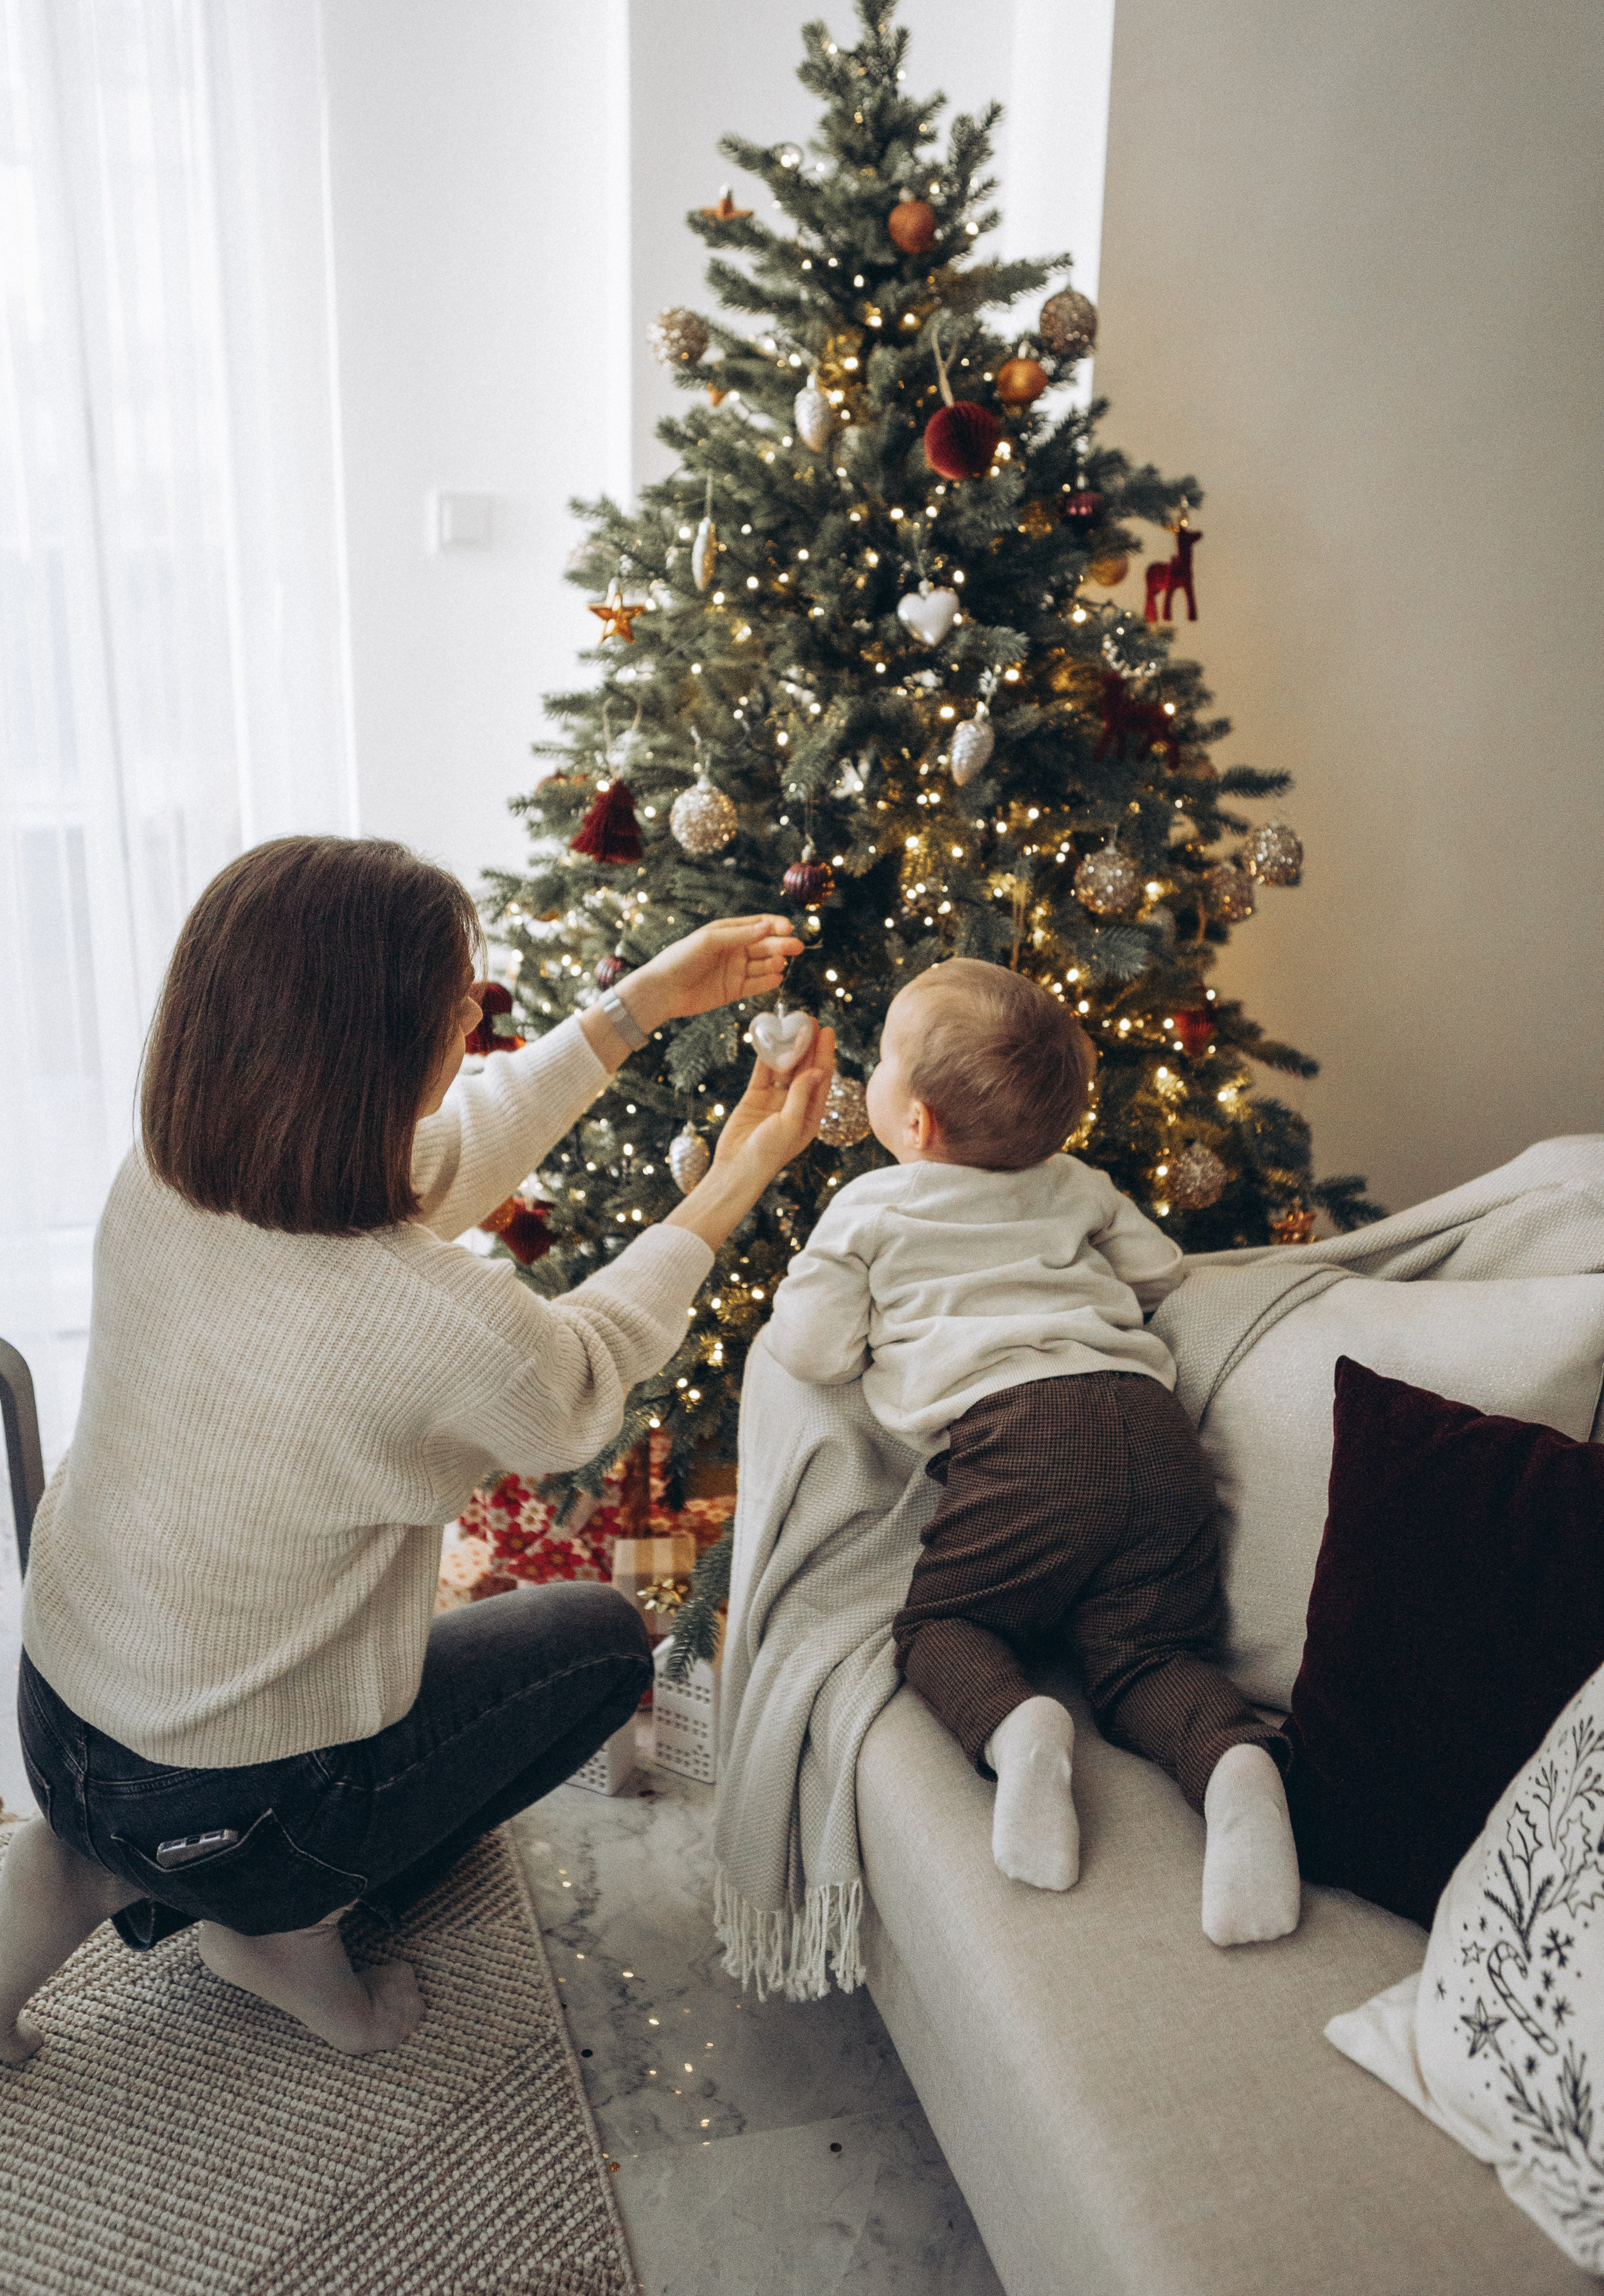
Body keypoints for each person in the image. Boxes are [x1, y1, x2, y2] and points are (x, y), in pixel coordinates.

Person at [0, 836, 834, 2060]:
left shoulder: (168, 1181)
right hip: (250, 1811)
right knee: (601, 1646)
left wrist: (641, 1002)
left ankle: (82, 1870)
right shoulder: (424, 1320)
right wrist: (743, 1169)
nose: (476, 1024)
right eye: (465, 1008)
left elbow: (444, 1155)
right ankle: (282, 1927)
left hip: (59, 1716)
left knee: (103, 1821)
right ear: (382, 1056)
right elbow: (579, 1378)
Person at [763, 957, 1301, 1947]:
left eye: (882, 1058)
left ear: (915, 1122)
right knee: (1146, 1657)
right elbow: (1160, 1271)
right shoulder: (1077, 1183)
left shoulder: (875, 1206)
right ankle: (1236, 1767)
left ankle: (1019, 1732)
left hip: (1021, 1444)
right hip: (1151, 1431)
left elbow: (810, 1347)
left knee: (943, 1630)